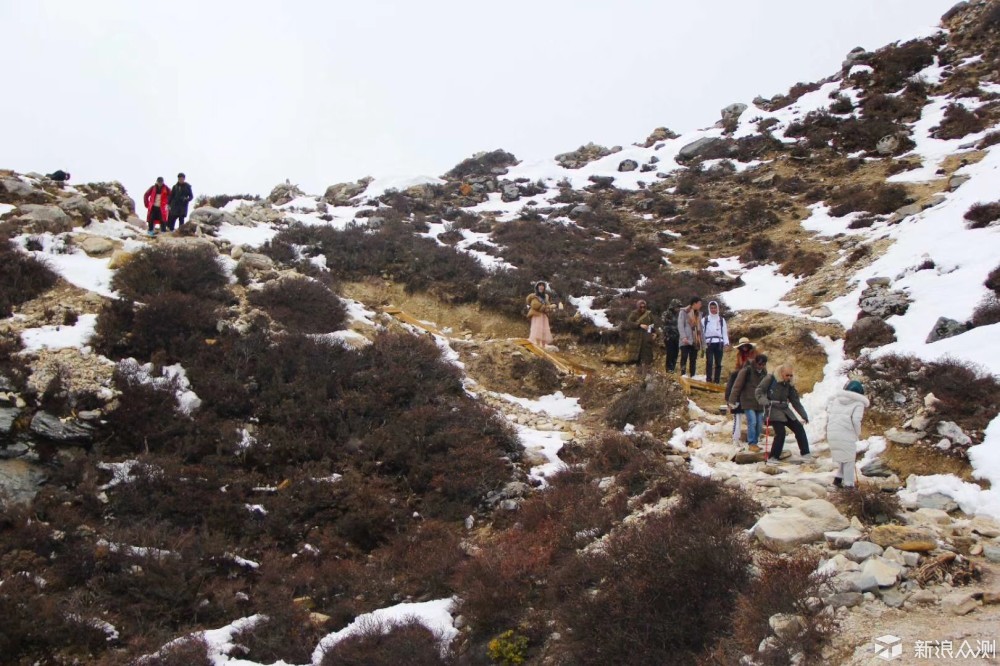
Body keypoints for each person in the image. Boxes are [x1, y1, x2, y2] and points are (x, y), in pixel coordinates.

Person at [756, 363, 811, 464]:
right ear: (781, 373)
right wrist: (764, 402)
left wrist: (803, 414)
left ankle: (806, 453)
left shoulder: (789, 384)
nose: (789, 377)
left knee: (799, 428)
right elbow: (759, 391)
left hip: (785, 409)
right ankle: (773, 457)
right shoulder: (770, 378)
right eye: (787, 375)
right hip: (773, 409)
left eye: (791, 375)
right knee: (781, 432)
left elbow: (795, 401)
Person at [827, 380, 868, 488]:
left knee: (844, 456)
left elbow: (830, 414)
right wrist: (857, 433)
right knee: (849, 460)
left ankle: (838, 479)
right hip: (845, 433)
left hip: (832, 432)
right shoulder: (859, 403)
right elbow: (856, 420)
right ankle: (849, 486)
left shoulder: (837, 400)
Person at [729, 353, 768, 452]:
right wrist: (732, 400)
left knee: (759, 423)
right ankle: (752, 443)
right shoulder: (746, 371)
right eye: (759, 364)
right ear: (755, 362)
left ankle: (755, 442)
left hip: (759, 402)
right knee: (752, 422)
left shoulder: (764, 372)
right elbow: (737, 386)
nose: (761, 366)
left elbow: (766, 387)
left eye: (763, 364)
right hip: (747, 400)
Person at [725, 338, 758, 444]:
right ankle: (736, 437)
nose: (744, 348)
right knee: (738, 415)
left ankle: (753, 439)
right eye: (742, 346)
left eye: (746, 346)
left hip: (751, 379)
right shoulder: (739, 355)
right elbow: (737, 368)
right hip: (741, 377)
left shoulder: (754, 354)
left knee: (753, 419)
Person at [701, 300, 729, 384]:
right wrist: (702, 343)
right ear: (709, 308)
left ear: (717, 308)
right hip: (709, 343)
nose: (713, 309)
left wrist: (726, 342)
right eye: (711, 308)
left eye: (714, 308)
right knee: (709, 362)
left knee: (718, 363)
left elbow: (724, 332)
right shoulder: (704, 319)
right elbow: (702, 333)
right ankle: (708, 379)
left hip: (719, 343)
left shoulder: (721, 319)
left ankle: (717, 380)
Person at [624, 300, 655, 368]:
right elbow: (629, 323)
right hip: (636, 337)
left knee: (647, 354)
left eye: (644, 307)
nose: (642, 308)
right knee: (637, 355)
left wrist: (653, 332)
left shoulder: (649, 314)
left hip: (646, 337)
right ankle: (638, 371)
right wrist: (639, 325)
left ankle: (647, 370)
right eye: (641, 307)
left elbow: (652, 324)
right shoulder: (634, 313)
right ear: (638, 307)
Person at [677, 296, 702, 377]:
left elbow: (700, 328)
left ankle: (693, 375)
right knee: (684, 357)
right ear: (694, 304)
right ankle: (683, 374)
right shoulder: (684, 312)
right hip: (685, 339)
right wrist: (683, 337)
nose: (700, 305)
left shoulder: (698, 314)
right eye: (699, 304)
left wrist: (702, 342)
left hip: (695, 339)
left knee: (693, 359)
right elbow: (680, 325)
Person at [526, 281, 554, 348]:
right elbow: (535, 305)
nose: (541, 287)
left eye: (542, 285)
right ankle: (538, 346)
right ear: (537, 287)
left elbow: (548, 306)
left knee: (544, 331)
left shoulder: (545, 297)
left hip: (544, 316)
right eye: (540, 285)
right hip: (537, 315)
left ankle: (543, 346)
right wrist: (544, 307)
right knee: (537, 331)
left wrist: (550, 307)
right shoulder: (534, 296)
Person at [661, 299, 682, 373]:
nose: (678, 308)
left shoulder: (679, 314)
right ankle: (669, 368)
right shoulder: (666, 313)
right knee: (670, 353)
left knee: (676, 353)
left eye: (679, 307)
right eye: (677, 307)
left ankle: (672, 367)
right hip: (668, 337)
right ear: (673, 306)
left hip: (677, 337)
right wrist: (673, 328)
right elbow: (664, 324)